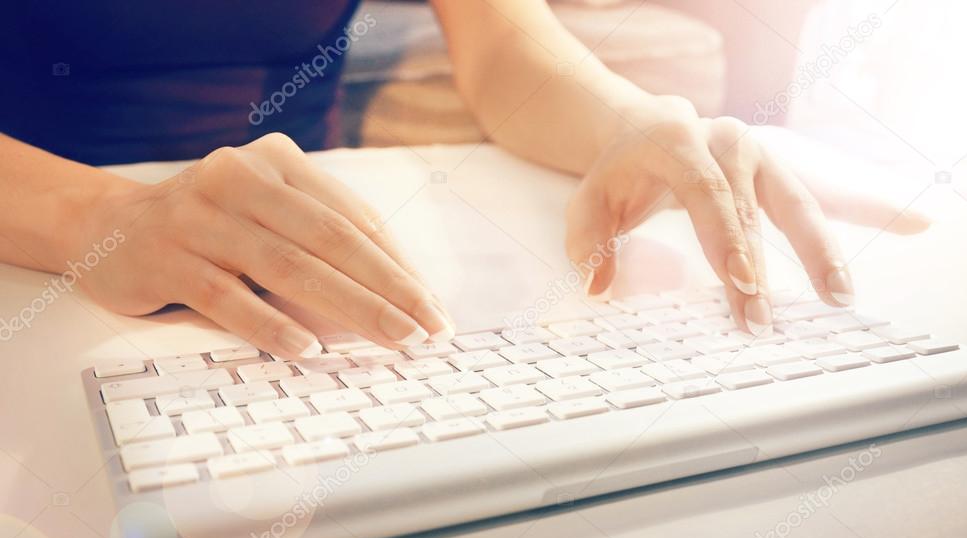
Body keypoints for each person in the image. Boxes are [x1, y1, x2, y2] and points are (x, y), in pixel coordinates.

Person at [0, 0, 855, 360]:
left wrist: (629, 121)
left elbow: (505, 47)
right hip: (36, 250)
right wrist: (97, 216)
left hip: (319, 246)